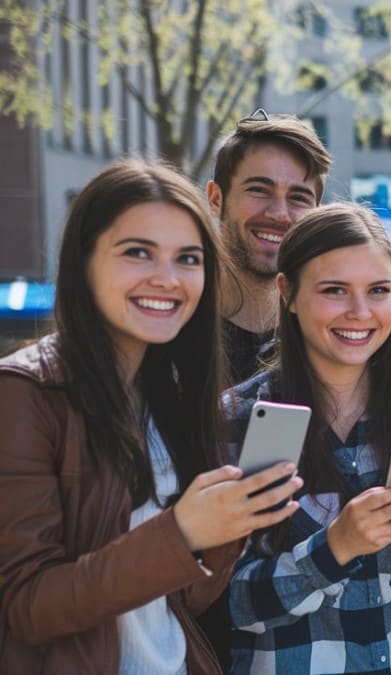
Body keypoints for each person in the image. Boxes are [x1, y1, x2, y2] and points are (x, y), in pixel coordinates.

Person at [0, 160, 301, 673]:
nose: (166, 279)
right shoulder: (25, 393)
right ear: (85, 260)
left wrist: (226, 530)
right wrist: (180, 532)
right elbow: (28, 608)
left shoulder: (174, 395)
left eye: (188, 258)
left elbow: (180, 602)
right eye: (138, 253)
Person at [223, 203, 391, 674]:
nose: (360, 313)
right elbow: (231, 604)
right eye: (334, 290)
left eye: (379, 290)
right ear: (289, 293)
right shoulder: (237, 422)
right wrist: (336, 547)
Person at [207, 110, 333, 383]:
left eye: (298, 197)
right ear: (216, 199)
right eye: (258, 190)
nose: (279, 213)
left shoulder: (333, 334)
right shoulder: (173, 323)